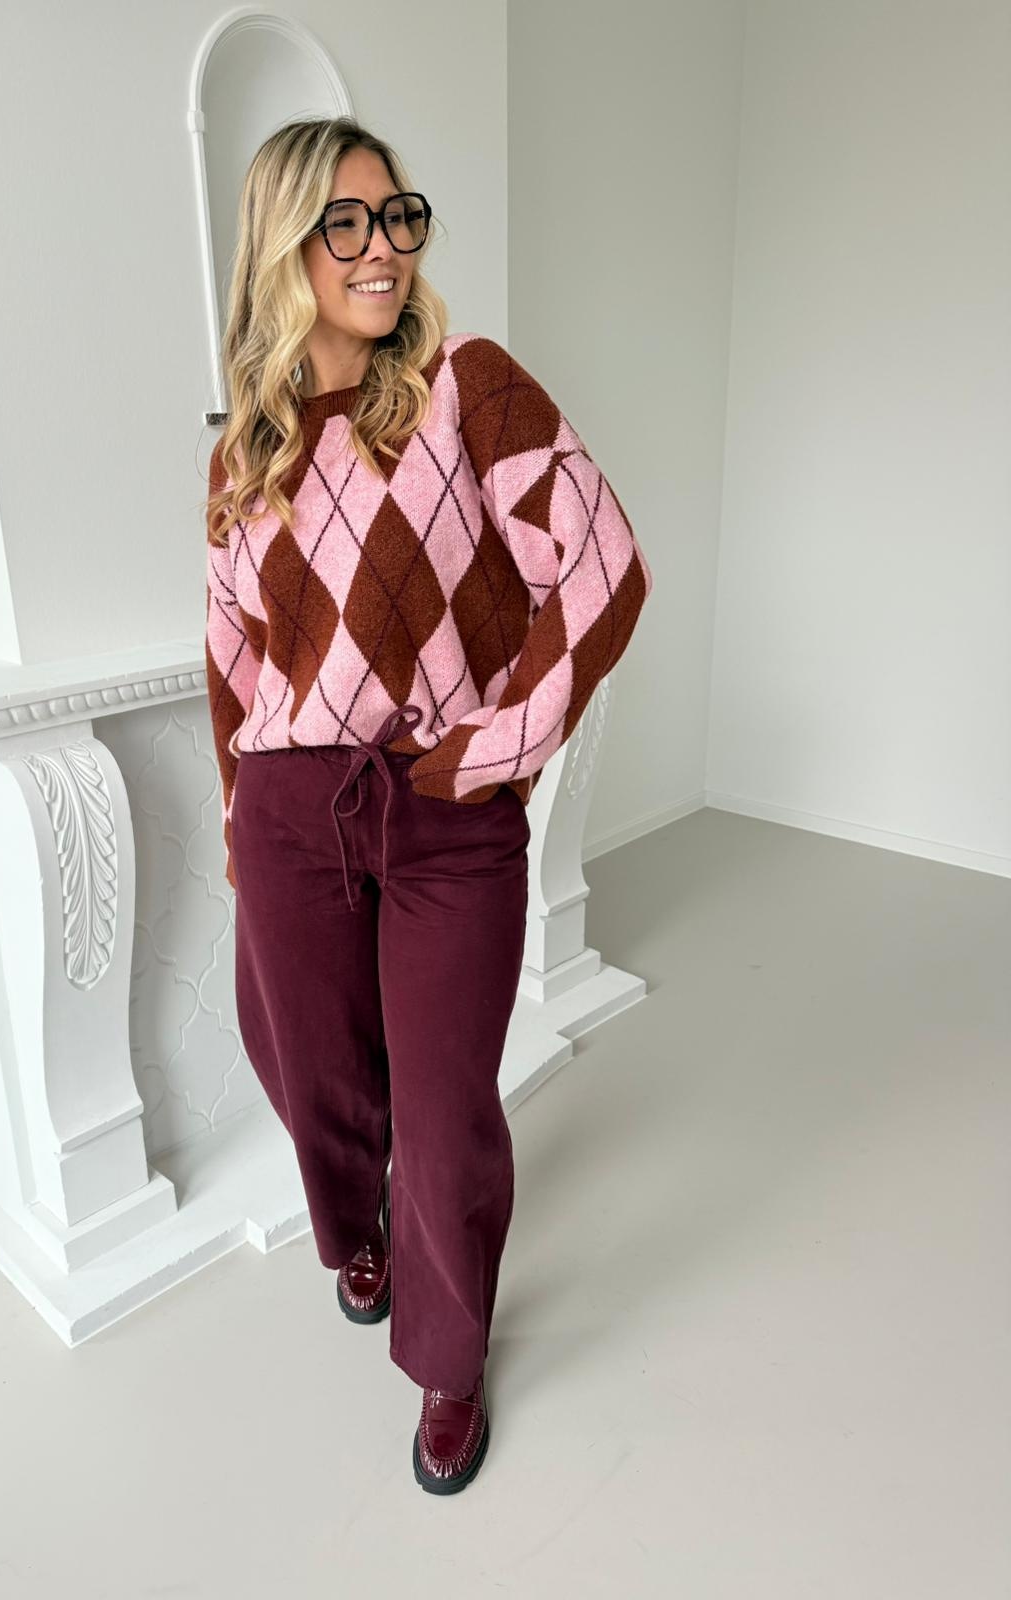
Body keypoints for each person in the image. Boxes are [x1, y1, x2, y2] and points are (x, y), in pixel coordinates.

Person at [204, 116, 652, 1494]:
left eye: (397, 216)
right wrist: (238, 817)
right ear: (283, 249)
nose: (383, 248)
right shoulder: (240, 458)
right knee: (302, 1063)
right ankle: (363, 1236)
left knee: (448, 1108)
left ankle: (450, 1364)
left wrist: (500, 744)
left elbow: (604, 566)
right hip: (291, 805)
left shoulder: (467, 387)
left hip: (445, 810)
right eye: (344, 223)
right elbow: (230, 661)